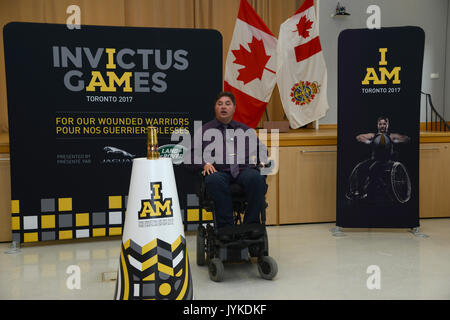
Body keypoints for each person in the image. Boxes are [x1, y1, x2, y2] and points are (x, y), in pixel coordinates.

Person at [192, 91, 268, 229]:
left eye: (228, 104)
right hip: (219, 171)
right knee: (213, 179)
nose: (223, 107)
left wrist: (262, 158)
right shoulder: (204, 130)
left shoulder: (245, 130)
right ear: (215, 107)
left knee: (256, 178)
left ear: (234, 108)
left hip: (243, 170)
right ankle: (226, 227)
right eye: (219, 104)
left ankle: (251, 225)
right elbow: (191, 154)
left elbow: (262, 149)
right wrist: (204, 164)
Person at [347, 116, 410, 200]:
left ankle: (371, 191)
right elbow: (359, 137)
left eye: (384, 124)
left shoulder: (391, 136)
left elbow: (406, 138)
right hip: (374, 159)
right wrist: (368, 141)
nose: (382, 126)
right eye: (380, 124)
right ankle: (359, 192)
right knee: (361, 167)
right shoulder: (373, 135)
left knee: (373, 168)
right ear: (377, 125)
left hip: (387, 161)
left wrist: (397, 140)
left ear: (387, 125)